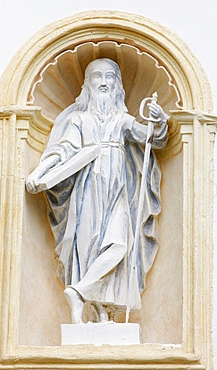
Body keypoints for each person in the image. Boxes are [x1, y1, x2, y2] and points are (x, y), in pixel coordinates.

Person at [26, 58, 168, 324]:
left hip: (118, 193)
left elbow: (151, 139)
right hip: (88, 190)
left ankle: (78, 291)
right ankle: (97, 313)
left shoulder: (123, 121)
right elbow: (61, 152)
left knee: (119, 245)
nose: (103, 82)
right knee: (89, 247)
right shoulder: (79, 120)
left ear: (117, 86)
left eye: (110, 77)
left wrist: (158, 122)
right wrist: (38, 173)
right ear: (87, 84)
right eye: (97, 77)